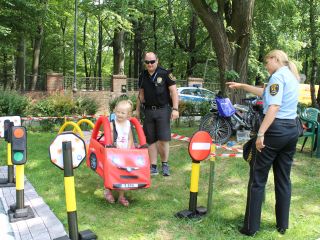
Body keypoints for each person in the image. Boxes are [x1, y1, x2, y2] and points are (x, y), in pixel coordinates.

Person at [226, 49, 300, 236]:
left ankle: (250, 227)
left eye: (267, 62)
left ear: (275, 59)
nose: (266, 66)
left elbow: (274, 106)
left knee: (257, 179)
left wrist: (260, 134)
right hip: (291, 130)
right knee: (284, 179)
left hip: (275, 130)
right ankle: (282, 225)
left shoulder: (277, 77)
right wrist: (242, 85)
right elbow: (265, 93)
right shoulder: (291, 77)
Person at [136, 52, 179, 176]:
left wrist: (175, 109)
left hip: (163, 109)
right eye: (147, 62)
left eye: (152, 61)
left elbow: (174, 92)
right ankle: (153, 166)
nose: (149, 64)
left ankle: (165, 164)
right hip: (148, 111)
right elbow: (140, 94)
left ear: (157, 61)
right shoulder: (143, 76)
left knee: (163, 139)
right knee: (151, 140)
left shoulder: (165, 74)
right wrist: (137, 110)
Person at [104, 99, 134, 207]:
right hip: (114, 152)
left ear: (128, 114)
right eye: (118, 112)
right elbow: (109, 137)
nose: (119, 114)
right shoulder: (112, 123)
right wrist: (113, 148)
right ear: (114, 111)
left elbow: (130, 138)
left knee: (123, 175)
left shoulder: (128, 124)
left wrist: (129, 150)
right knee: (111, 172)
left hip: (124, 153)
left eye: (123, 113)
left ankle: (121, 196)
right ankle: (108, 191)